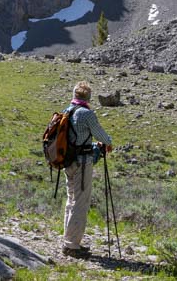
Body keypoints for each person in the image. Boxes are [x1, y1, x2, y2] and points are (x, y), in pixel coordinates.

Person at [62, 81, 113, 258]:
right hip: (82, 163)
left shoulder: (67, 111)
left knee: (71, 200)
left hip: (68, 161)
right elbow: (103, 137)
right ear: (88, 97)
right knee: (80, 202)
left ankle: (69, 240)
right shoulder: (86, 114)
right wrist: (107, 142)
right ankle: (72, 245)